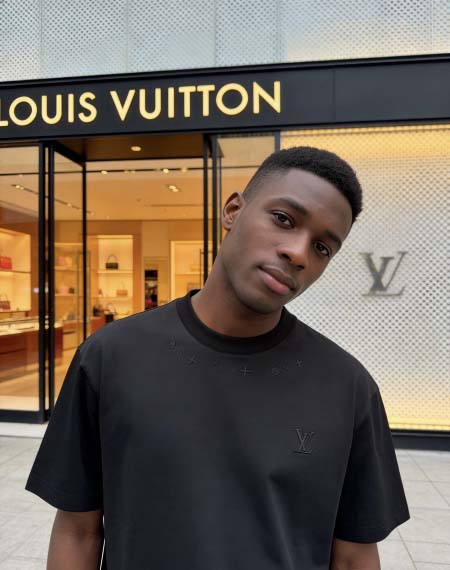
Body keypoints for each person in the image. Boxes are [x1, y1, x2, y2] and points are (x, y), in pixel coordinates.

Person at [26, 146, 410, 570]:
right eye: (284, 219)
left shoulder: (348, 388)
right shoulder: (109, 357)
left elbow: (354, 557)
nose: (299, 253)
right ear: (233, 211)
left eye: (322, 247)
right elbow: (78, 531)